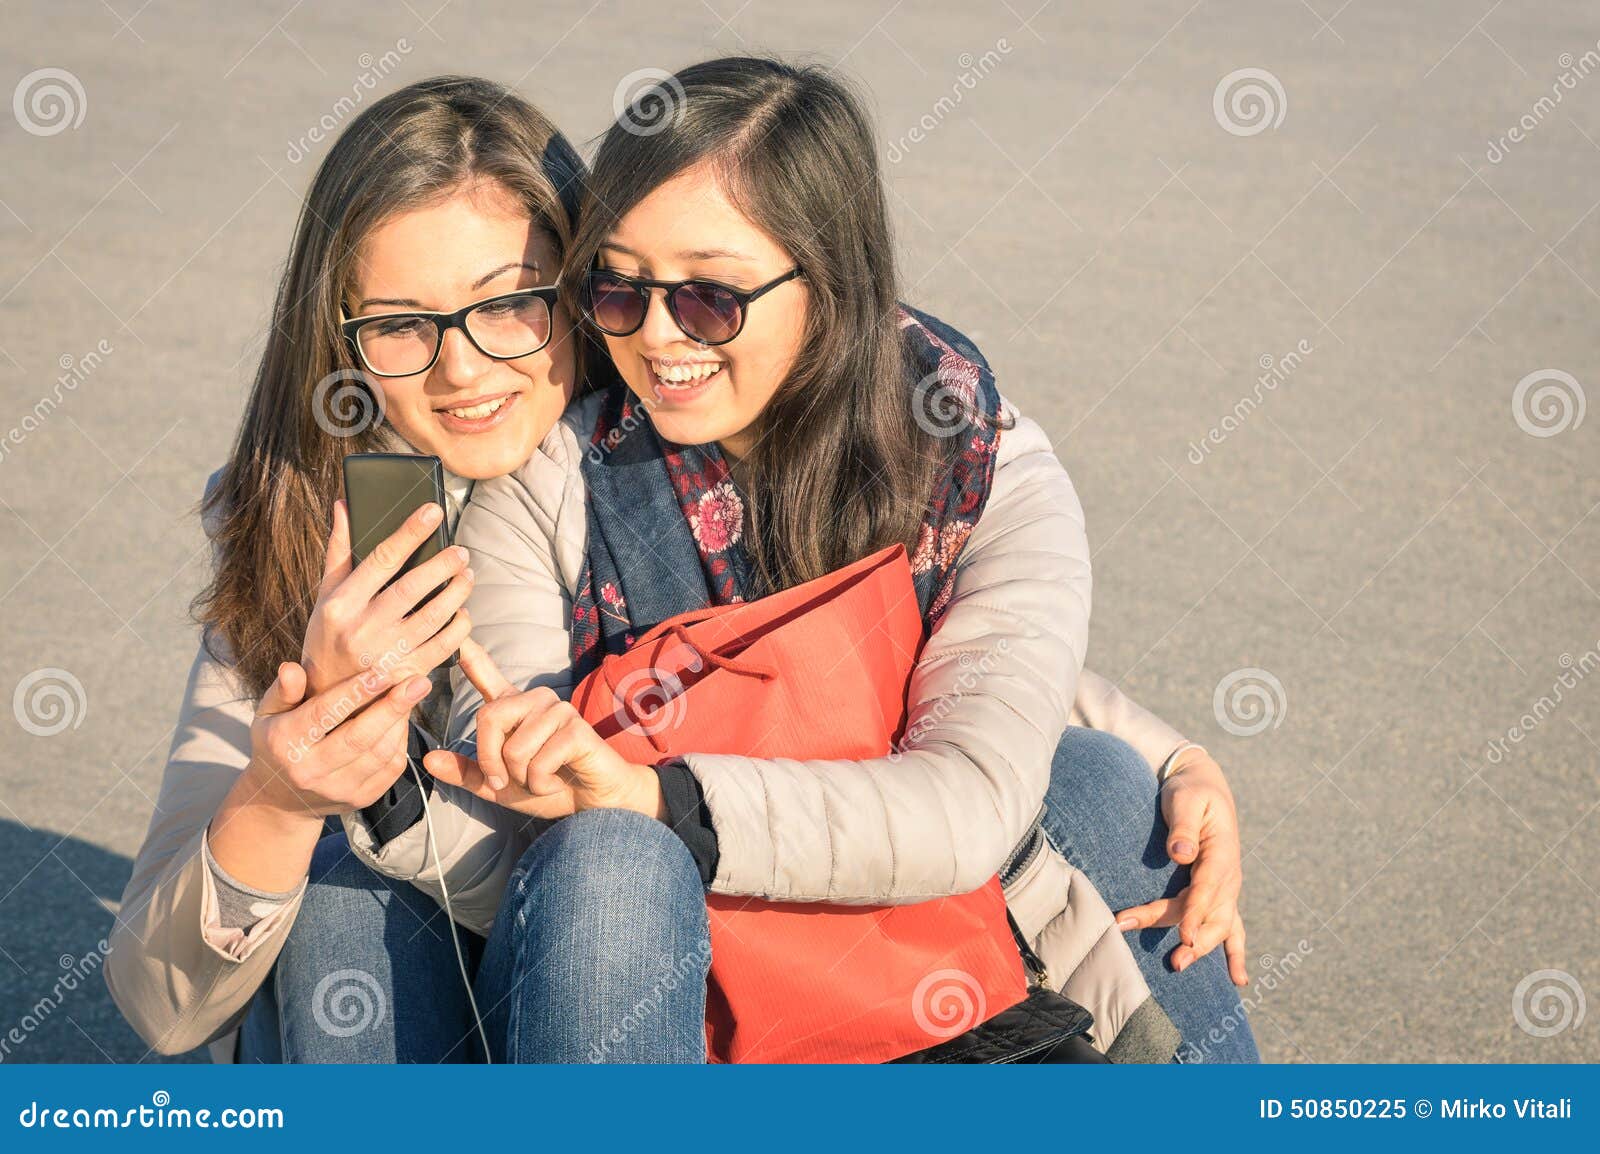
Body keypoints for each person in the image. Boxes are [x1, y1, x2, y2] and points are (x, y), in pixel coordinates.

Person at [422, 57, 1258, 1062]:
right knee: (604, 857)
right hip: (652, 986)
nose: (653, 335)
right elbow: (513, 814)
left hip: (907, 962)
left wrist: (1178, 757)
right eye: (618, 284)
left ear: (829, 281)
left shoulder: (969, 458)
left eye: (708, 297)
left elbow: (965, 794)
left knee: (1110, 785)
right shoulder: (555, 475)